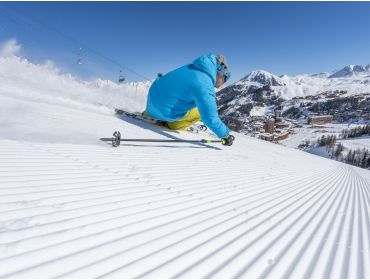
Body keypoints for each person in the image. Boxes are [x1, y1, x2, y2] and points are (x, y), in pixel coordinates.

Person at [144, 53, 234, 146]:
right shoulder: (205, 84)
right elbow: (209, 118)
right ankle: (172, 124)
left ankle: (149, 113)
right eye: (225, 78)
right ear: (220, 72)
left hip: (150, 105)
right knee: (200, 112)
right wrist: (225, 135)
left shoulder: (190, 67)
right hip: (163, 112)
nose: (223, 83)